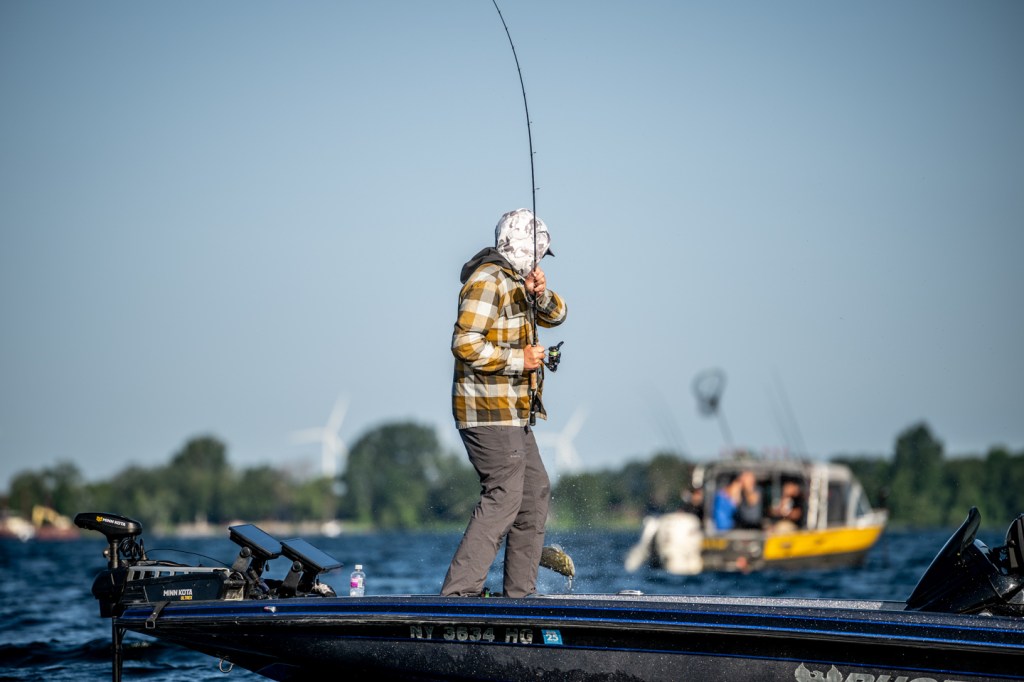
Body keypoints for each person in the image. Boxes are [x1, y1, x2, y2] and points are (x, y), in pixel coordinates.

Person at [441, 208, 567, 598]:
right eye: (539, 253)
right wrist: (518, 360)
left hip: (513, 412)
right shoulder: (487, 281)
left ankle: (520, 597)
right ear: (524, 248)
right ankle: (460, 595)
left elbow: (558, 315)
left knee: (534, 493)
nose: (540, 261)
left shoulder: (516, 282)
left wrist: (540, 293)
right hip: (487, 411)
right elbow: (464, 343)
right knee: (504, 495)